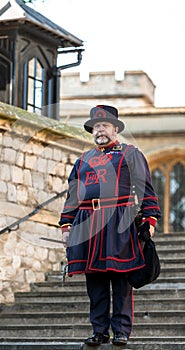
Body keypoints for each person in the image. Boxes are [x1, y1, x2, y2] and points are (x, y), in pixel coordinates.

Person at [59, 105, 161, 346]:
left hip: (120, 221)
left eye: (104, 125)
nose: (100, 130)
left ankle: (121, 330)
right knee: (95, 282)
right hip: (87, 224)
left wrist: (150, 219)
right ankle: (99, 330)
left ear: (115, 128)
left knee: (121, 279)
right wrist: (66, 225)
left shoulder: (130, 154)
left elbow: (146, 188)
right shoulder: (83, 160)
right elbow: (72, 196)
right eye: (96, 126)